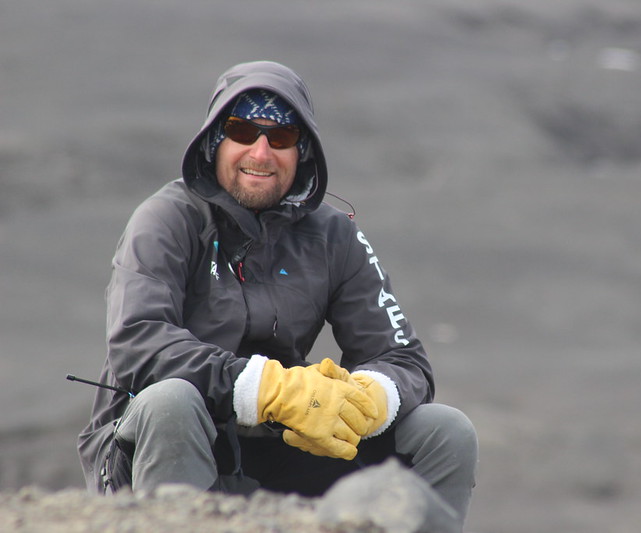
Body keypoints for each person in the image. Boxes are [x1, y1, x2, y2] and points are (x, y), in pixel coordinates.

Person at [77, 60, 477, 528]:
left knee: (445, 431)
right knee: (171, 402)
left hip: (281, 448)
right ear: (214, 141)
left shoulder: (334, 236)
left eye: (281, 137)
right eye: (242, 131)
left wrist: (369, 397)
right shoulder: (166, 219)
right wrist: (267, 388)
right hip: (164, 445)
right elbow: (138, 342)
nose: (261, 152)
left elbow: (404, 360)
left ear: (302, 150)